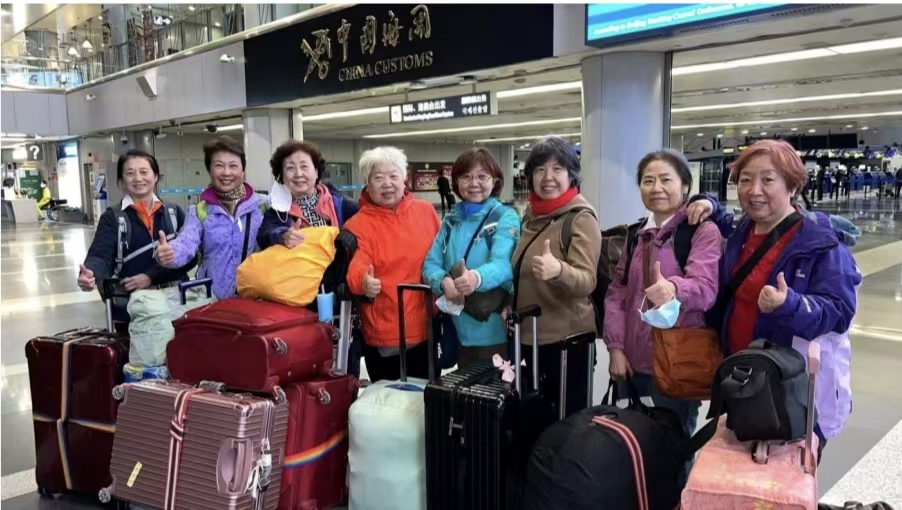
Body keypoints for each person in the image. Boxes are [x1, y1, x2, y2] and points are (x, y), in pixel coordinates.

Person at [688, 139, 860, 453]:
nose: (754, 190)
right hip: (744, 380)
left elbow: (839, 311)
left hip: (789, 391)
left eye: (768, 180)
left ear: (793, 187)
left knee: (783, 476)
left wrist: (789, 304)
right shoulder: (743, 230)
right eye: (745, 180)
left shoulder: (822, 243)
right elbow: (721, 216)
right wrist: (707, 202)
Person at [604, 149, 722, 441]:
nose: (656, 188)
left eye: (666, 180)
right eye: (648, 181)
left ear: (685, 186)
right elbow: (617, 293)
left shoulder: (701, 232)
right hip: (631, 363)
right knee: (629, 445)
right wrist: (615, 348)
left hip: (675, 363)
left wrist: (674, 289)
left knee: (671, 449)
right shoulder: (635, 234)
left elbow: (706, 289)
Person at [510, 136, 601, 417]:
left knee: (566, 424)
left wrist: (559, 271)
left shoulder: (580, 218)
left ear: (572, 175)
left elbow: (587, 281)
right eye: (539, 169)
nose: (548, 177)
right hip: (529, 339)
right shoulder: (530, 217)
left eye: (557, 169)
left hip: (565, 344)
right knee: (535, 421)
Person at [345, 146, 440, 383]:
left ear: (404, 178)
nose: (387, 184)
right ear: (367, 184)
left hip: (428, 324)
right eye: (378, 178)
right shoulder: (358, 224)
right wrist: (363, 282)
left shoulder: (425, 212)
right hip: (386, 332)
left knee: (429, 397)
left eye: (393, 176)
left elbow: (442, 253)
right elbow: (356, 266)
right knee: (390, 400)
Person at [422, 148, 520, 368]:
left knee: (492, 386)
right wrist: (443, 282)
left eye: (482, 176)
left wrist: (476, 278)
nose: (474, 183)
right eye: (466, 176)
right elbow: (430, 264)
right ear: (457, 182)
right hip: (456, 331)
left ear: (495, 181)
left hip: (493, 333)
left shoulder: (504, 217)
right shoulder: (451, 221)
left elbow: (504, 265)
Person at [77, 150, 196, 330]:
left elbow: (191, 257)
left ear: (155, 176)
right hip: (132, 309)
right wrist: (90, 273)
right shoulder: (112, 218)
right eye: (130, 173)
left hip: (175, 304)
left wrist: (151, 276)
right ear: (122, 180)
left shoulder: (173, 213)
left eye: (144, 172)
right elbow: (100, 255)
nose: (138, 178)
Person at [155, 137, 267, 300]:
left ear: (243, 170)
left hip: (256, 300)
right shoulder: (199, 211)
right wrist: (170, 253)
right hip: (213, 301)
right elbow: (186, 242)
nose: (226, 172)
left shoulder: (263, 206)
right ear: (209, 170)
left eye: (233, 166)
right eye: (219, 165)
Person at [257, 140, 358, 250]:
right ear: (282, 176)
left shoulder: (344, 205)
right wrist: (282, 236)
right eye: (290, 168)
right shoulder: (277, 211)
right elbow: (264, 236)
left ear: (316, 172)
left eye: (304, 166)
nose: (298, 174)